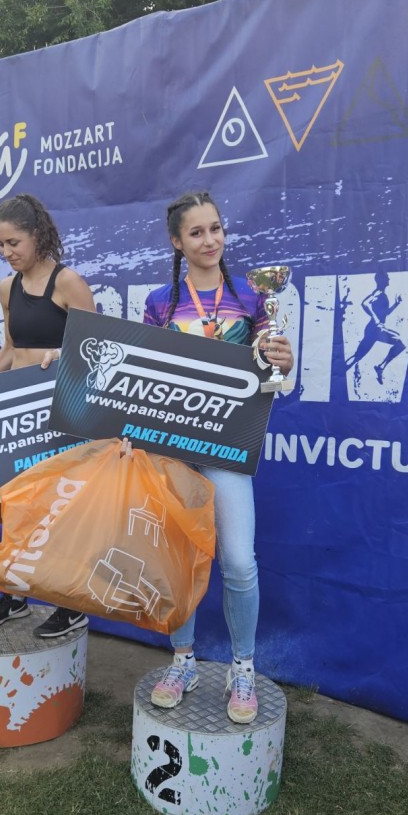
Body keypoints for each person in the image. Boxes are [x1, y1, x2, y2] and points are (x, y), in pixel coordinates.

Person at [142, 191, 293, 723]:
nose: (210, 240)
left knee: (239, 562)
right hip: (175, 451)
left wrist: (282, 360)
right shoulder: (160, 302)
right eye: (197, 232)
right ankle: (183, 660)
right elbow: (148, 374)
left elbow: (271, 375)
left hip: (226, 450)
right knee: (180, 562)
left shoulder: (252, 297)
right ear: (177, 242)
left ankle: (242, 668)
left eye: (216, 228)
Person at [0, 193, 96, 637]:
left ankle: (70, 604)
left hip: (63, 416)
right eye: (0, 244)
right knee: (16, 507)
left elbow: (96, 350)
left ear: (37, 235)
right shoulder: (6, 288)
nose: (6, 252)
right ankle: (14, 594)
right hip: (18, 416)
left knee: (59, 510)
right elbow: (10, 351)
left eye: (14, 242)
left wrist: (62, 355)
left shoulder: (69, 283)